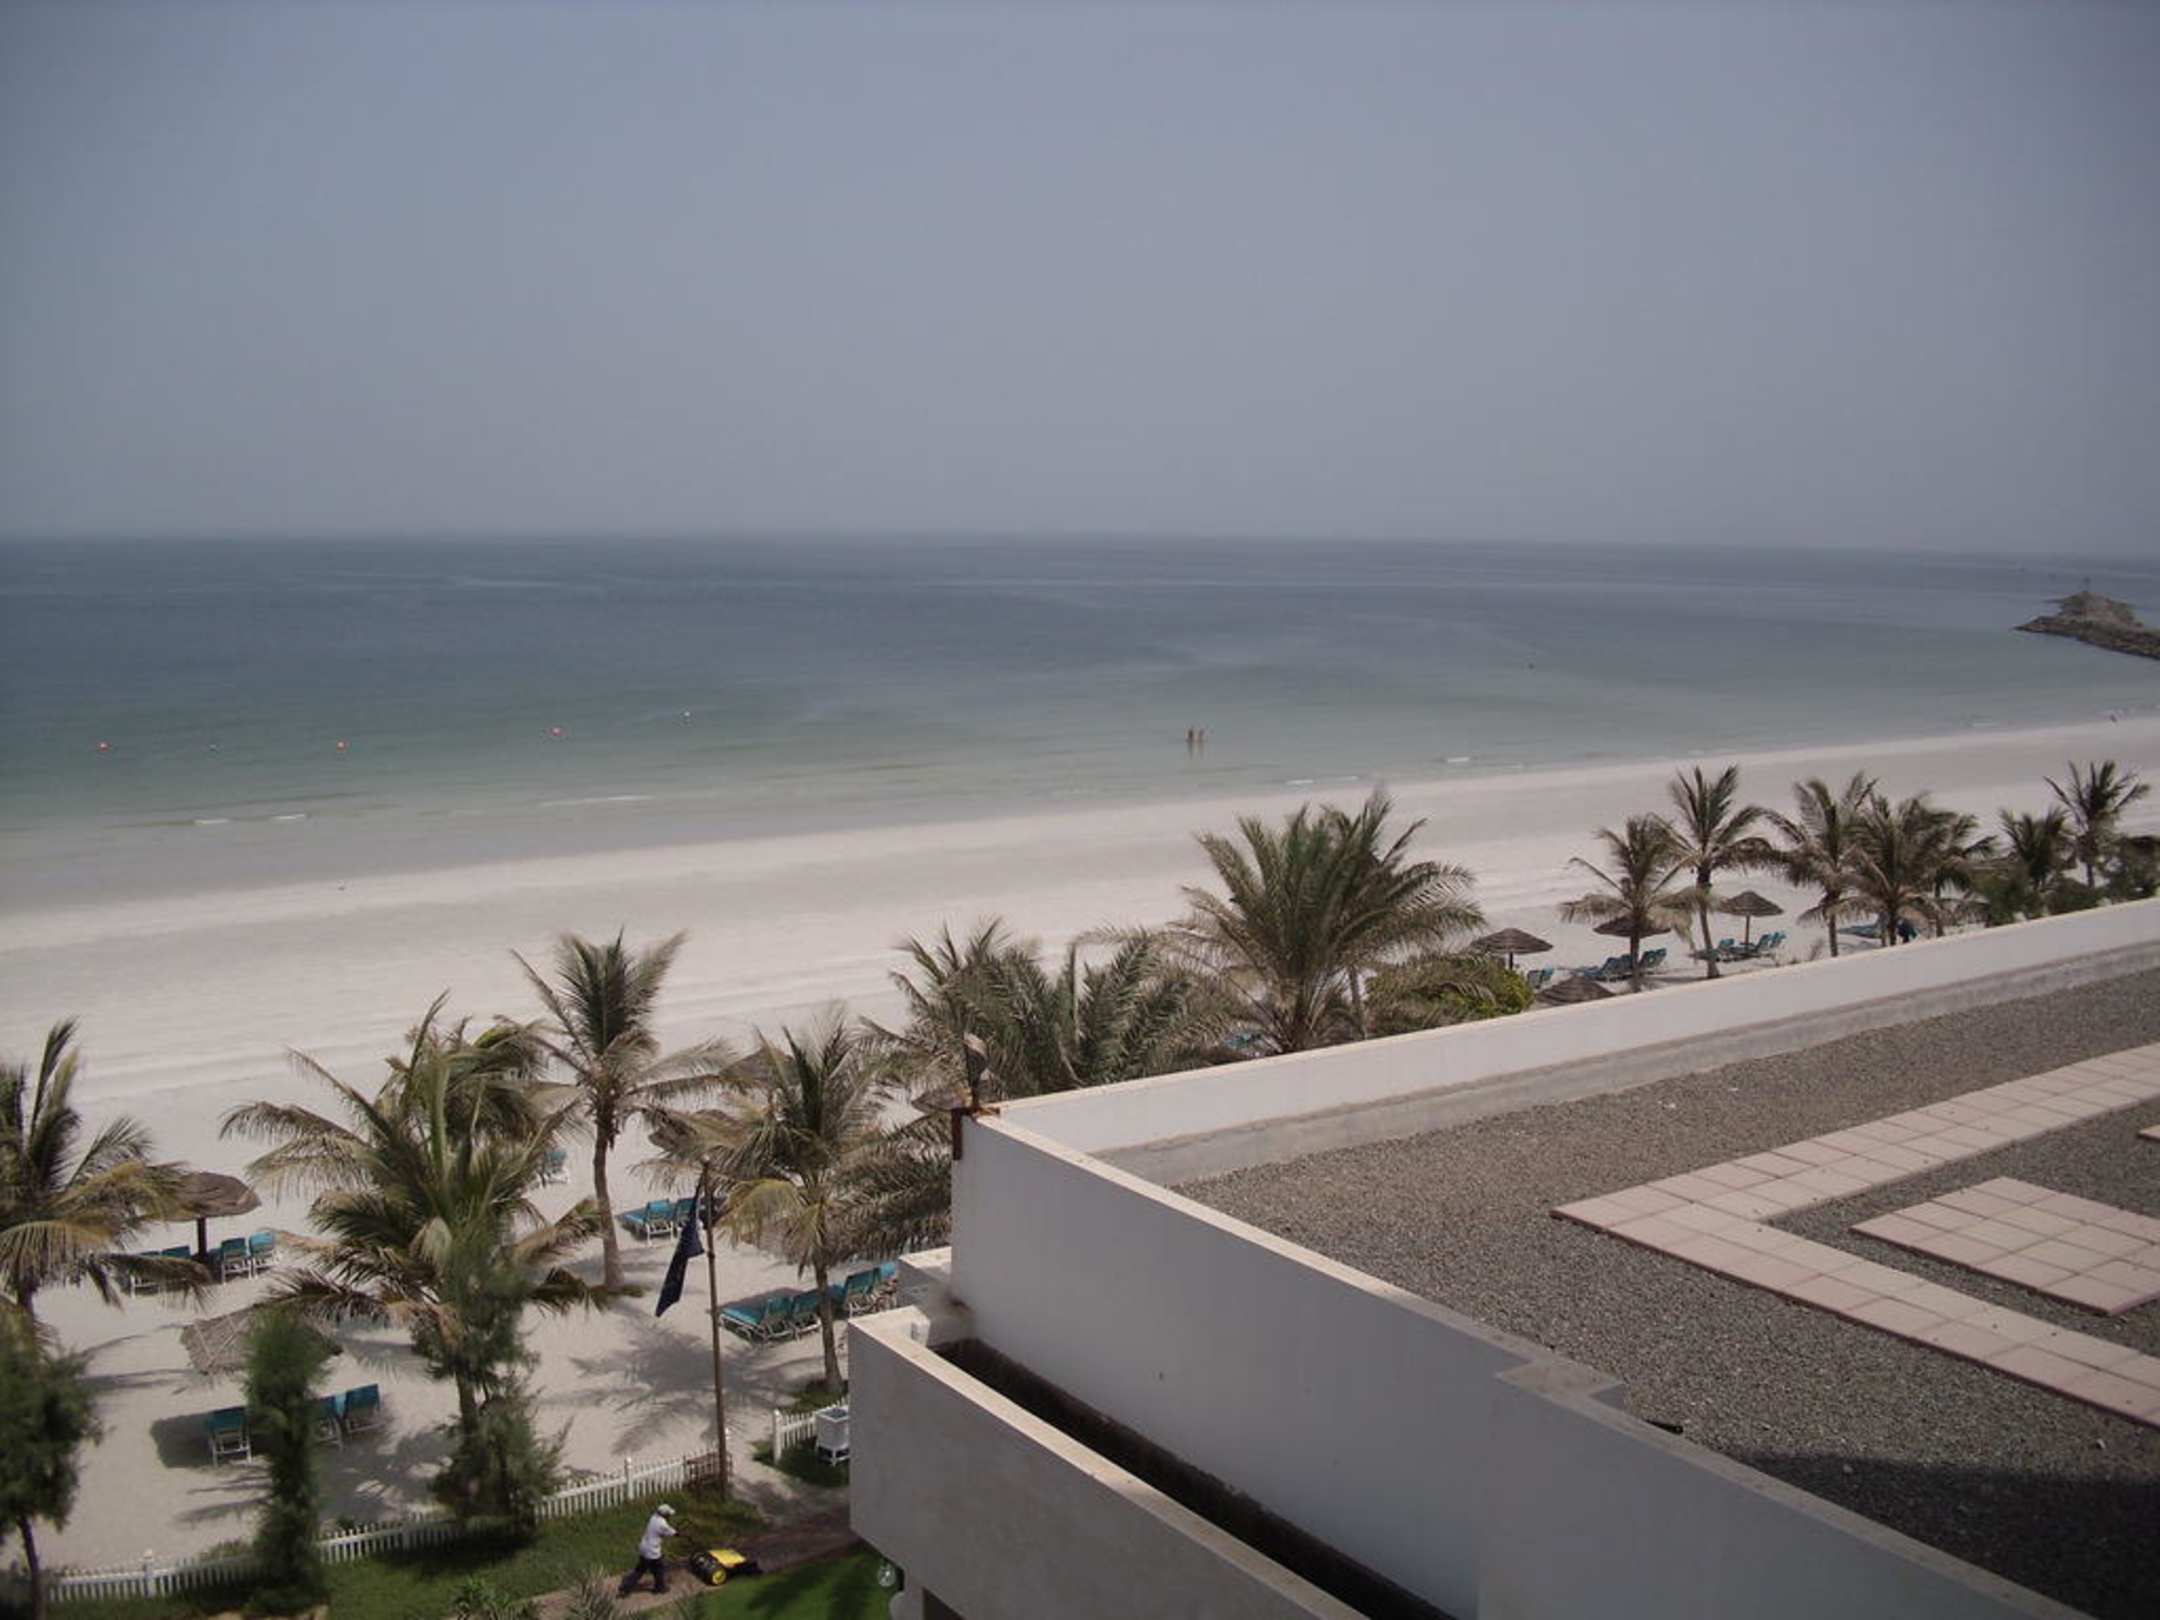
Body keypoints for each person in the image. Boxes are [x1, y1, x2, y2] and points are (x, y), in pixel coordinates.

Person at [621, 1502, 679, 1595]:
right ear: (665, 1515)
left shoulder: (653, 1517)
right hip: (652, 1551)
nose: (670, 1516)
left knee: (640, 1570)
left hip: (644, 1547)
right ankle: (659, 1588)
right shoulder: (662, 1524)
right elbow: (671, 1532)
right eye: (668, 1514)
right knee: (659, 1568)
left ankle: (626, 1587)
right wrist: (678, 1533)